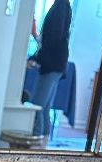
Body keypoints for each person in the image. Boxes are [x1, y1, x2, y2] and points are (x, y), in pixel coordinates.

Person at [32, 0, 72, 140]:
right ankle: (42, 143)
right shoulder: (63, 6)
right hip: (56, 63)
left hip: (52, 64)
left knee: (37, 105)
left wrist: (36, 59)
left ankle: (36, 142)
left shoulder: (60, 7)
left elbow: (53, 39)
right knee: (44, 106)